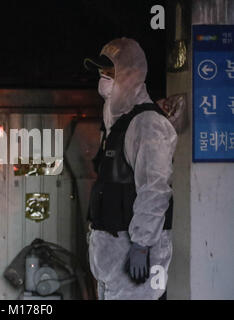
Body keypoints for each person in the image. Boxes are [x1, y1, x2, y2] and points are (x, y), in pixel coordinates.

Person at [84, 38, 177, 300]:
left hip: (134, 259)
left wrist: (142, 244)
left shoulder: (146, 124)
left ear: (131, 74)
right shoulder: (120, 123)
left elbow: (155, 189)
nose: (103, 80)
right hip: (112, 260)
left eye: (110, 73)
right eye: (102, 73)